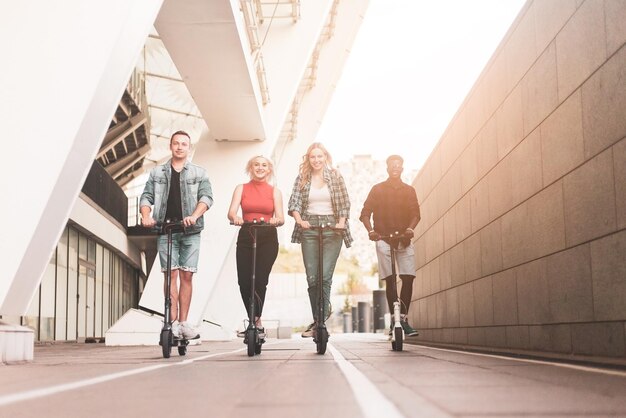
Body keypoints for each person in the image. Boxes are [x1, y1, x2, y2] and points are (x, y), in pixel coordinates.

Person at [140, 130, 213, 340]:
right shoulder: (157, 173)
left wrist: (194, 215)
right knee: (170, 275)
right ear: (171, 146)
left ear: (189, 148)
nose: (180, 147)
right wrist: (146, 215)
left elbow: (206, 197)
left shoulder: (199, 173)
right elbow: (146, 196)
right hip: (166, 229)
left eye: (184, 144)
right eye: (176, 143)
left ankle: (183, 323)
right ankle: (170, 323)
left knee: (186, 275)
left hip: (190, 231)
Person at [288, 142, 352, 338]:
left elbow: (344, 202)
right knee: (312, 277)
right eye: (312, 157)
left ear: (326, 157)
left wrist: (341, 223)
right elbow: (295, 202)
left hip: (333, 227)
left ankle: (319, 321)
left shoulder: (335, 176)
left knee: (325, 276)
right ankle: (318, 319)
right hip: (309, 227)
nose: (316, 160)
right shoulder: (302, 178)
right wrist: (300, 221)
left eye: (319, 156)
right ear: (308, 159)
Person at [359, 155, 420, 337]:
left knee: (408, 277)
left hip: (404, 238)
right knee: (390, 279)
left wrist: (410, 228)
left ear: (402, 168)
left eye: (398, 165)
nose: (395, 167)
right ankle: (395, 321)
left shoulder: (409, 190)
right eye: (392, 165)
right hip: (383, 238)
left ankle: (403, 318)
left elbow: (416, 213)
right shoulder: (377, 190)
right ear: (387, 168)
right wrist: (371, 231)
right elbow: (364, 214)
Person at [227, 155, 284, 339]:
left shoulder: (275, 191)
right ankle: (254, 319)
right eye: (256, 165)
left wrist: (276, 220)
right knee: (244, 280)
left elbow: (281, 217)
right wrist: (235, 217)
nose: (260, 168)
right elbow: (231, 212)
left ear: (269, 170)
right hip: (247, 233)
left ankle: (256, 320)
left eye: (264, 165)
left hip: (267, 235)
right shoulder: (241, 188)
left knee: (260, 279)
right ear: (250, 168)